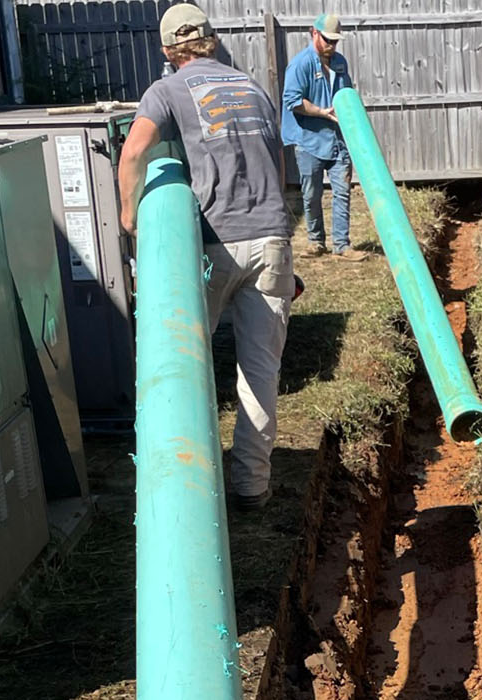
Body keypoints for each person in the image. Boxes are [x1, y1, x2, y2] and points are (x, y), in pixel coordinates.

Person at [117, 3, 291, 510]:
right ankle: (251, 487)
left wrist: (130, 217)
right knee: (260, 374)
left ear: (169, 50)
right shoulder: (251, 86)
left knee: (184, 363)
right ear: (211, 40)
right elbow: (277, 161)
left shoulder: (167, 89)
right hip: (273, 240)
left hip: (216, 245)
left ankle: (186, 490)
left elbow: (132, 153)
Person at [281, 13, 368, 261]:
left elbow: (346, 96)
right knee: (311, 194)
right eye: (328, 40)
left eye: (336, 41)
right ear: (314, 33)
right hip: (308, 140)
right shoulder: (300, 64)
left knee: (343, 191)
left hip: (338, 140)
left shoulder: (340, 62)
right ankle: (316, 241)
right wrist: (322, 112)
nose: (332, 46)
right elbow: (293, 101)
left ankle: (342, 244)